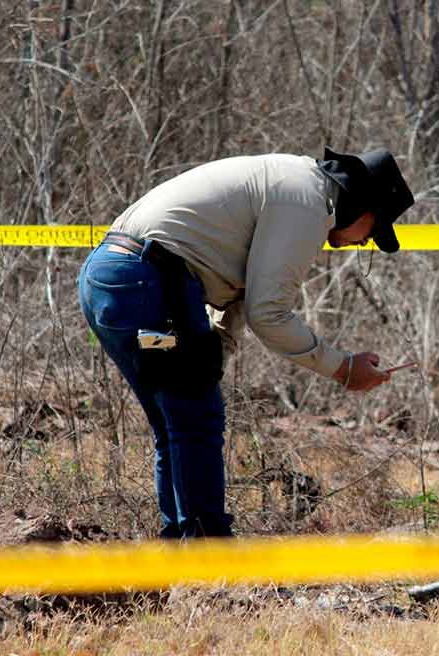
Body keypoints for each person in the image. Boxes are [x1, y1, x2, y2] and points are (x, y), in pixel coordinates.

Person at [77, 148, 415, 539]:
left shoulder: (293, 182)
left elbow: (235, 294)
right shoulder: (307, 201)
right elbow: (268, 313)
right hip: (149, 283)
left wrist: (213, 355)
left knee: (178, 420)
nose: (365, 242)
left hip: (110, 281)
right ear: (363, 207)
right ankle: (208, 550)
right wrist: (343, 368)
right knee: (194, 419)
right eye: (374, 231)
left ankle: (183, 550)